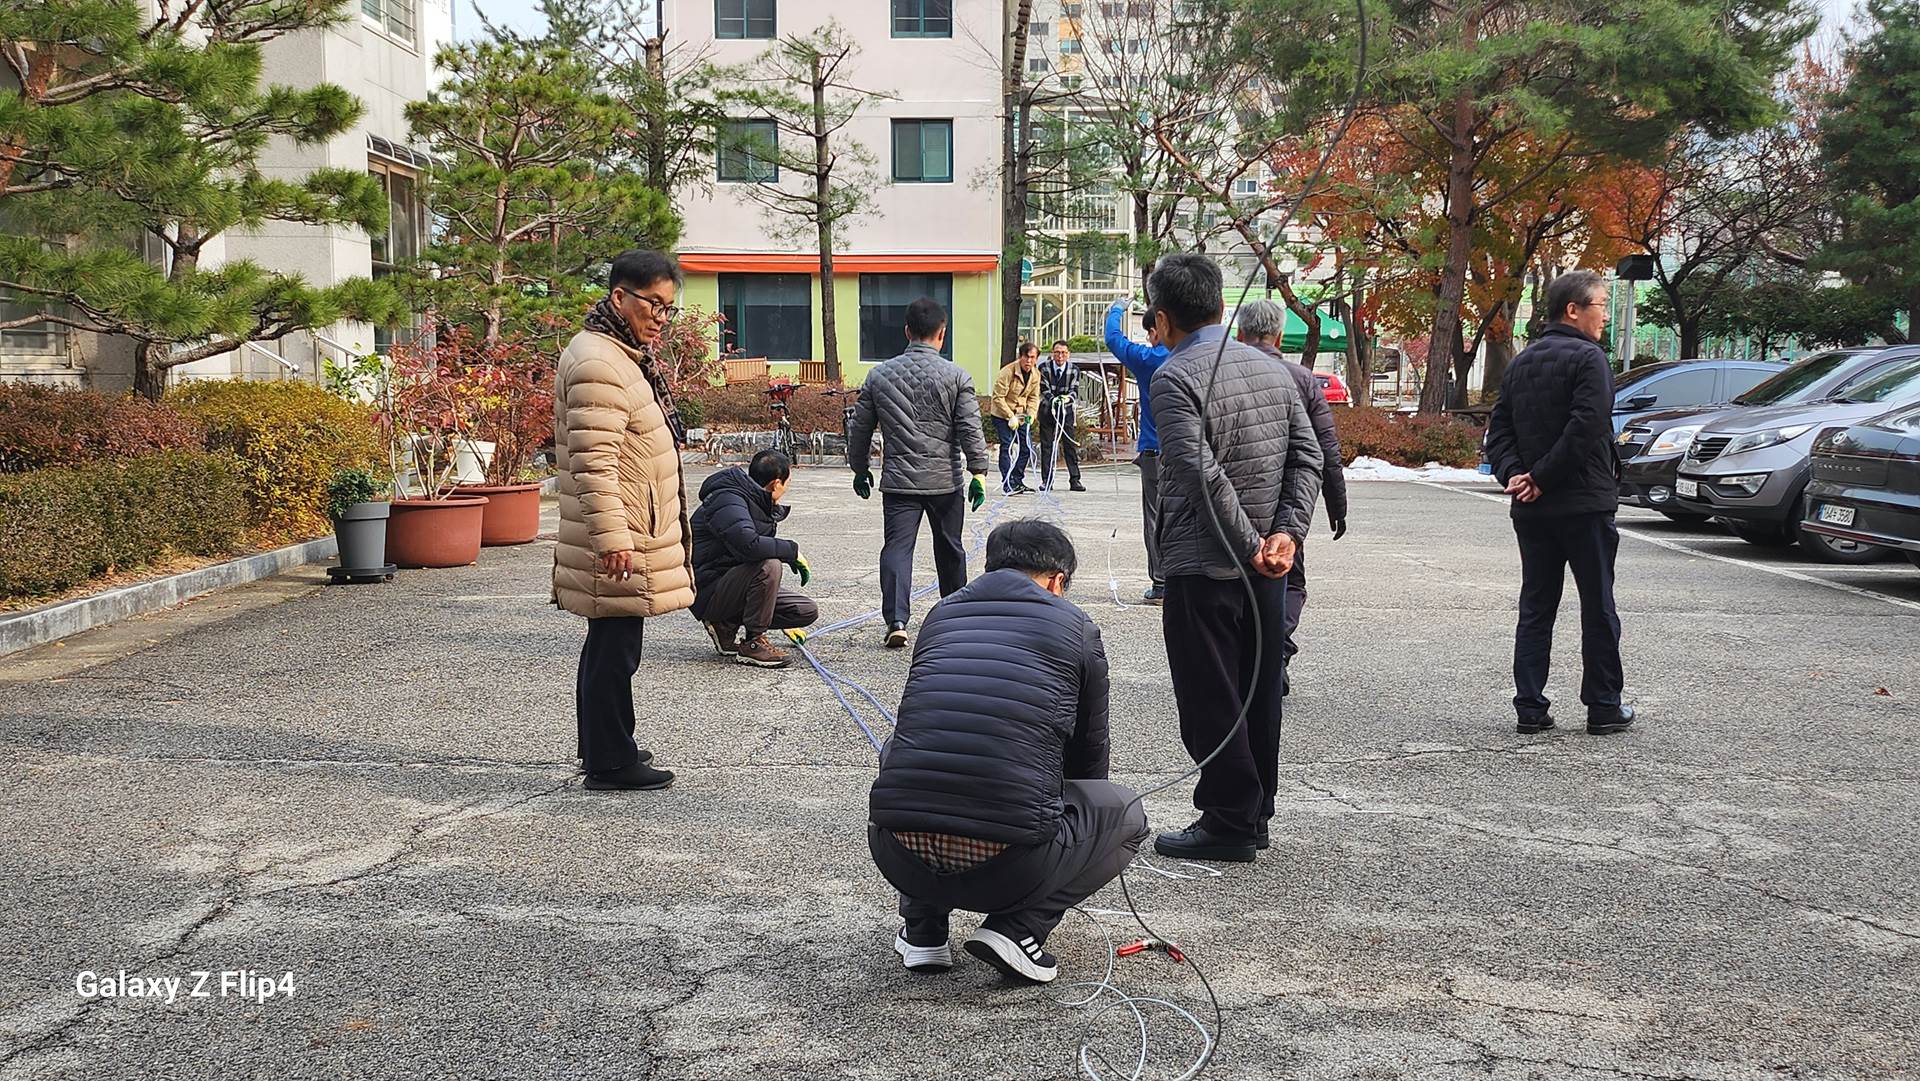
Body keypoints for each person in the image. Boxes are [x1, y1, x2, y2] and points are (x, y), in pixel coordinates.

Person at [867, 519, 1147, 984]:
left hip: (898, 856)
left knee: (909, 750)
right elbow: (1089, 752)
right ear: (1057, 581)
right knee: (1127, 813)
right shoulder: (1076, 626)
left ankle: (922, 930)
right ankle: (1018, 930)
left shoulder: (941, 613)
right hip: (1011, 868)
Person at [1147, 254, 1323, 862]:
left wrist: (1255, 544)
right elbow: (1308, 457)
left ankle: (1228, 819)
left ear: (1163, 318)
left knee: (1211, 696)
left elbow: (1199, 474)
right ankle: (1253, 814)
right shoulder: (1275, 368)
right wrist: (1285, 535)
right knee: (1258, 691)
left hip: (1206, 564)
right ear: (1222, 306)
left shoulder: (1173, 376)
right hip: (1269, 565)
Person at [552, 248, 694, 793]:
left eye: (667, 307)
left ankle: (606, 745)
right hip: (621, 531)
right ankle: (611, 761)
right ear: (619, 297)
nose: (660, 317)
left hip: (627, 524)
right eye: (652, 304)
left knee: (609, 640)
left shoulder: (616, 353)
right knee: (616, 647)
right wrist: (614, 538)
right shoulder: (600, 363)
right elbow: (594, 462)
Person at [1484, 269, 1633, 736]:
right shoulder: (1590, 359)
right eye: (1601, 306)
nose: (1605, 317)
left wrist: (1517, 477)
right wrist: (1539, 479)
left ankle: (1530, 706)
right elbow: (1587, 426)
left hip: (1533, 509)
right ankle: (1604, 705)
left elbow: (1498, 430)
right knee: (1598, 605)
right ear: (1573, 310)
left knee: (1536, 605)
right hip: (1583, 503)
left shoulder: (1521, 362)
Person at [847, 298, 991, 650]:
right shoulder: (957, 376)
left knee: (897, 549)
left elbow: (860, 428)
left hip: (899, 481)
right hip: (945, 481)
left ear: (907, 331)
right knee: (950, 548)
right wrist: (978, 471)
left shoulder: (879, 375)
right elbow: (970, 428)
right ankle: (954, 617)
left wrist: (860, 467)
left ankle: (897, 621)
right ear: (942, 334)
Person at [1234, 300, 1350, 684]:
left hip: (1234, 499)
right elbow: (1325, 448)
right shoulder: (1300, 378)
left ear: (1240, 334)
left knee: (1235, 581)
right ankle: (1275, 651)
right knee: (1289, 580)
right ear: (1280, 337)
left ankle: (1247, 656)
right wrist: (1336, 504)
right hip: (1288, 502)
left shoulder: (1223, 375)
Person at [688, 449, 819, 670]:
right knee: (770, 564)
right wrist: (791, 551)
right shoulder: (728, 499)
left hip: (733, 582)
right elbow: (748, 545)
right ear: (776, 483)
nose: (787, 488)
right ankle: (753, 642)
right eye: (787, 482)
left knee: (804, 610)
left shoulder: (758, 501)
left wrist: (774, 616)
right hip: (707, 588)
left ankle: (724, 625)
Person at [1105, 298, 1170, 603]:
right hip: (1192, 450)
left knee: (1155, 517)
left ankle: (1162, 583)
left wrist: (1117, 309)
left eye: (1149, 332)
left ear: (1159, 329)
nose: (1148, 338)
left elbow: (1113, 338)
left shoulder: (1148, 359)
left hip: (1155, 450)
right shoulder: (1194, 355)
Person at [988, 342, 1043, 494]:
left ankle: (1017, 480)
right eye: (1026, 357)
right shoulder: (1008, 372)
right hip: (1002, 414)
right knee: (1007, 445)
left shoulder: (1035, 375)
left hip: (1021, 415)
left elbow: (1034, 397)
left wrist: (1031, 414)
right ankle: (1007, 483)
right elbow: (998, 397)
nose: (1029, 361)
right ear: (1020, 356)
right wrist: (1010, 416)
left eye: (1032, 357)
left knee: (1027, 448)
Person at [1035, 340, 1086, 492]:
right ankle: (1047, 480)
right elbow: (1044, 388)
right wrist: (1054, 400)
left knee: (1069, 445)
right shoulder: (1044, 368)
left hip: (1066, 412)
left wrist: (1066, 399)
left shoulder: (1074, 370)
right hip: (1047, 411)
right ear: (1052, 353)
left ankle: (1075, 479)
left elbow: (1074, 390)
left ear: (1068, 354)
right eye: (1057, 352)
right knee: (1047, 446)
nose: (1060, 356)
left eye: (1063, 353)